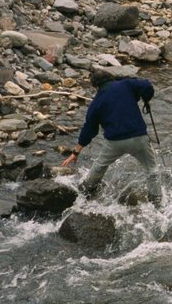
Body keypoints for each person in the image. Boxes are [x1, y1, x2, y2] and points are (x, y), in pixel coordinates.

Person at [62, 69, 162, 204]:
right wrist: (145, 98)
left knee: (99, 166)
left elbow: (89, 129)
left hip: (114, 143)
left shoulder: (96, 102)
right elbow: (147, 86)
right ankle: (156, 202)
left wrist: (76, 152)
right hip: (139, 138)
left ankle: (84, 193)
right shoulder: (126, 84)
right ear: (112, 77)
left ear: (96, 86)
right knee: (151, 170)